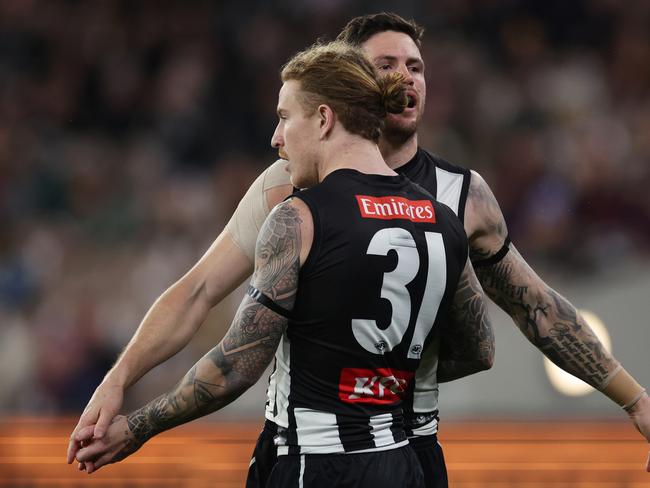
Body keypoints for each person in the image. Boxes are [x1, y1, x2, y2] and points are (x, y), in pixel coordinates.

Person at [68, 11, 650, 486]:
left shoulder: (461, 196)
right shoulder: (289, 183)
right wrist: (118, 378)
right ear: (350, 84)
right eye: (387, 64)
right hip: (358, 449)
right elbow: (196, 292)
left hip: (387, 446)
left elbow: (538, 308)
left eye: (417, 66)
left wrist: (632, 397)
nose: (405, 78)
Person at [73, 40, 491, 488]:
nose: (276, 138)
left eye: (284, 118)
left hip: (315, 462)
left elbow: (237, 367)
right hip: (405, 463)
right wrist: (380, 374)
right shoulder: (443, 221)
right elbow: (478, 349)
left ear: (324, 120)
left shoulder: (299, 217)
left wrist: (136, 427)